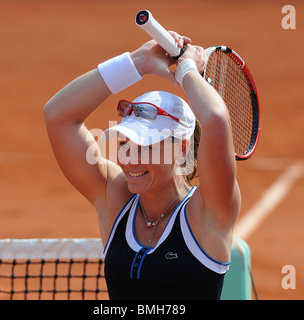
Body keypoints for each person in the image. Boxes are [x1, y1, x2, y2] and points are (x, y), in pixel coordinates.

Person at [43, 31, 241, 300]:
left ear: (181, 147)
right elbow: (57, 116)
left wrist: (187, 70)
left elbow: (216, 119)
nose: (129, 160)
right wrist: (137, 62)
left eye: (146, 146)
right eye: (125, 144)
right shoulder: (115, 197)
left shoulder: (207, 212)